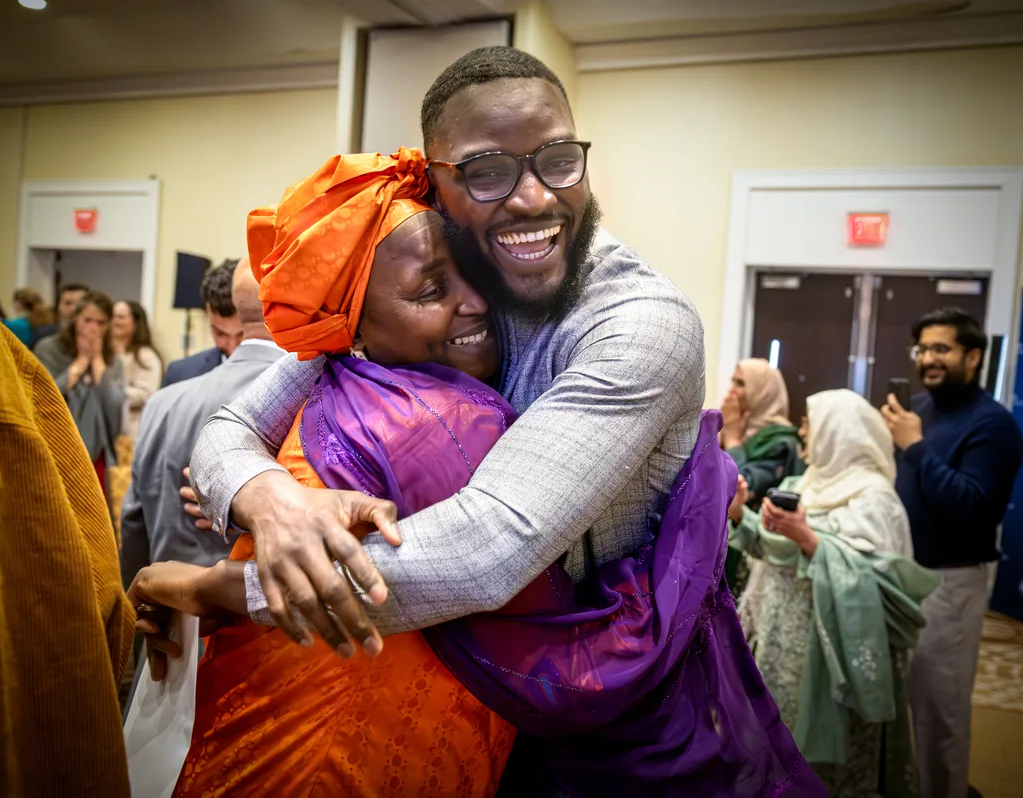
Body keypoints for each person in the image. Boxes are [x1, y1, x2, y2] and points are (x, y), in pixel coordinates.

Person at [131, 148, 824, 797]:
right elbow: (503, 576)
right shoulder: (443, 419)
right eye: (432, 288)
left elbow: (232, 439)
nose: (472, 300)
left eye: (472, 270)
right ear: (355, 328)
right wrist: (251, 528)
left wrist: (228, 567)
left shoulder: (349, 379)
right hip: (354, 751)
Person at [729, 388, 940, 797]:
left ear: (840, 432)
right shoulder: (802, 483)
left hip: (830, 657)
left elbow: (881, 588)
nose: (802, 429)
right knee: (774, 747)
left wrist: (809, 539)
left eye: (811, 421)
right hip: (779, 645)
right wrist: (741, 514)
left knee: (825, 771)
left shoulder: (874, 500)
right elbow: (774, 552)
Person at [881, 307, 1023, 798]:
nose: (929, 359)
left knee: (940, 713)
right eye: (923, 350)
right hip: (902, 576)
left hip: (950, 585)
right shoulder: (918, 409)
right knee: (900, 704)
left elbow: (971, 507)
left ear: (974, 355)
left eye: (942, 349)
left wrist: (915, 447)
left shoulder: (994, 425)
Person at [0, 323, 134, 797]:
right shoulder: (26, 363)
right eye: (90, 323)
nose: (96, 329)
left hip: (90, 455)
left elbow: (116, 413)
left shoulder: (109, 363)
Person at [120, 259, 285, 587]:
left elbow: (133, 518)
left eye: (238, 333)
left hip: (183, 598)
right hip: (250, 610)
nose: (230, 344)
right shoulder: (316, 393)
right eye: (219, 332)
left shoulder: (160, 405)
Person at [720, 358, 803, 593]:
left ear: (762, 392)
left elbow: (740, 486)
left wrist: (733, 439)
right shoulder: (744, 430)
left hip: (755, 549)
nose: (732, 390)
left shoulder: (780, 441)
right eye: (732, 381)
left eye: (742, 383)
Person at [35, 291, 126, 492]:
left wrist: (96, 361)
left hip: (97, 451)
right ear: (76, 318)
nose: (93, 328)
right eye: (88, 320)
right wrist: (80, 362)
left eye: (101, 323)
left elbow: (115, 406)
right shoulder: (49, 349)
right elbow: (43, 396)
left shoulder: (114, 360)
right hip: (55, 445)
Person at [162, 259, 244, 386]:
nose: (232, 347)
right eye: (220, 334)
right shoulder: (180, 376)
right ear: (207, 313)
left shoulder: (284, 375)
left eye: (243, 334)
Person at [111, 300, 163, 439]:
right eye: (113, 316)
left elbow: (147, 393)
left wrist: (113, 394)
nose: (115, 321)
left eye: (121, 317)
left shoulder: (145, 356)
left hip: (132, 432)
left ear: (135, 322)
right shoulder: (104, 354)